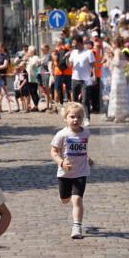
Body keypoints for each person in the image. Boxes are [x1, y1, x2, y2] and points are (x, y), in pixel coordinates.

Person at [50, 102, 92, 239]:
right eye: (72, 116)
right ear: (65, 118)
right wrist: (61, 163)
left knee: (77, 199)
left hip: (81, 172)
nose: (76, 120)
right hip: (65, 174)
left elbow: (83, 149)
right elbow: (54, 152)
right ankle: (65, 196)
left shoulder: (86, 133)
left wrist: (88, 159)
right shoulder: (61, 135)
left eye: (79, 117)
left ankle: (76, 226)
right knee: (65, 199)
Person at [106, 40, 129, 122]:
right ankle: (119, 115)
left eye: (112, 43)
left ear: (115, 43)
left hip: (118, 75)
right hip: (119, 74)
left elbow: (116, 63)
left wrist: (108, 58)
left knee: (117, 94)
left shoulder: (117, 51)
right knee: (119, 94)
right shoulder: (121, 52)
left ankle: (118, 116)